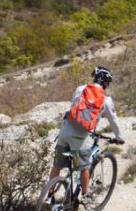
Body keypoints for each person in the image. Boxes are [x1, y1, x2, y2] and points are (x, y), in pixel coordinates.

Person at [48, 66, 126, 200]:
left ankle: (49, 193)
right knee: (85, 166)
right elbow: (113, 121)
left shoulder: (80, 89)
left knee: (57, 165)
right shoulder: (106, 99)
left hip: (65, 129)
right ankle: (85, 194)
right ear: (105, 82)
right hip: (80, 135)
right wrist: (119, 138)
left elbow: (74, 107)